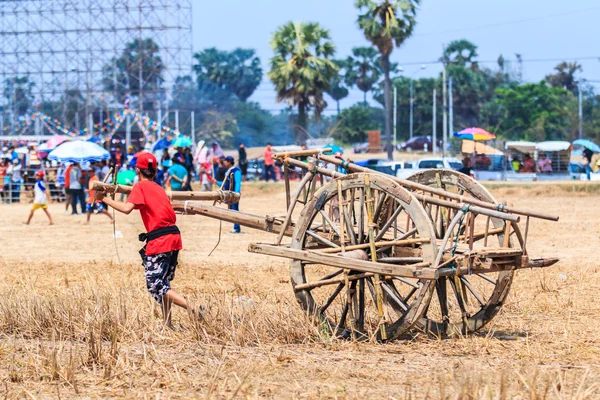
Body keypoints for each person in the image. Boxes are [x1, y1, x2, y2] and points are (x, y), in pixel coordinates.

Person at [95, 153, 199, 325]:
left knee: (155, 285)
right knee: (163, 284)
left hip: (160, 239)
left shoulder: (140, 187)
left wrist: (103, 198)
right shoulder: (159, 188)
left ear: (137, 170)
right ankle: (168, 324)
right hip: (174, 237)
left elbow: (127, 208)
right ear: (155, 170)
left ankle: (193, 309)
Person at [222, 156, 242, 234]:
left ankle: (236, 228)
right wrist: (216, 182)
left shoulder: (236, 171)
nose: (224, 163)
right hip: (228, 194)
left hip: (233, 194)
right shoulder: (227, 171)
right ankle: (236, 227)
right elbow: (225, 183)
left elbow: (237, 183)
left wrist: (236, 194)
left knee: (235, 211)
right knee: (232, 210)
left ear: (229, 162)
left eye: (225, 161)